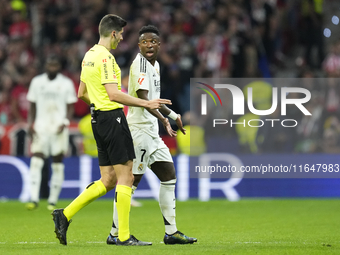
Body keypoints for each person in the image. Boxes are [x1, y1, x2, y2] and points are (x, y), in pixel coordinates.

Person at [51, 14, 171, 246]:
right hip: (113, 118)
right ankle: (123, 236)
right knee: (126, 176)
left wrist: (99, 106)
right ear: (114, 33)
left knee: (108, 180)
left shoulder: (89, 56)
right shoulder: (105, 59)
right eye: (121, 34)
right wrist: (147, 103)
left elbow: (82, 93)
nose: (122, 38)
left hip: (98, 119)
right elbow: (114, 94)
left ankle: (64, 214)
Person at [106, 25, 197, 245]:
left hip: (152, 132)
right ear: (139, 45)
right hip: (139, 131)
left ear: (159, 45)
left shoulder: (155, 66)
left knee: (169, 176)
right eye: (145, 41)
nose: (149, 45)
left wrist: (174, 115)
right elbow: (145, 98)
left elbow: (155, 100)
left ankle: (171, 232)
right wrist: (164, 118)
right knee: (130, 182)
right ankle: (115, 233)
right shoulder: (140, 65)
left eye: (154, 42)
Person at [26, 55, 77, 211]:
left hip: (58, 127)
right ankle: (34, 198)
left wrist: (65, 122)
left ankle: (52, 200)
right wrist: (31, 123)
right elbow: (32, 105)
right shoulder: (37, 82)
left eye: (55, 65)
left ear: (59, 67)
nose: (52, 68)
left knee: (57, 162)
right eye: (50, 65)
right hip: (41, 126)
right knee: (36, 160)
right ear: (45, 65)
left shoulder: (66, 83)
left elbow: (70, 106)